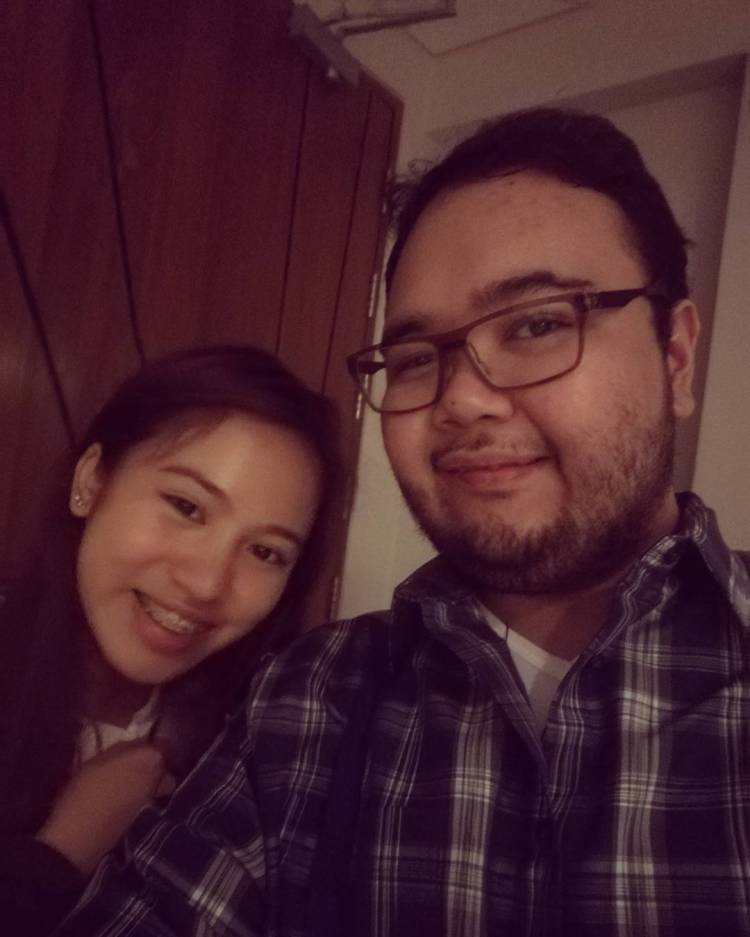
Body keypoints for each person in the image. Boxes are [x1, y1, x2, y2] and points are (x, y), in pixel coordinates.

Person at [57, 108, 750, 936]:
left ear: (676, 356)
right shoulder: (311, 696)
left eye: (537, 324)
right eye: (418, 357)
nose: (462, 398)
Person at [0, 344, 341, 935]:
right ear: (90, 481)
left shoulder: (260, 744)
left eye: (265, 552)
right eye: (186, 506)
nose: (207, 584)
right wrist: (60, 854)